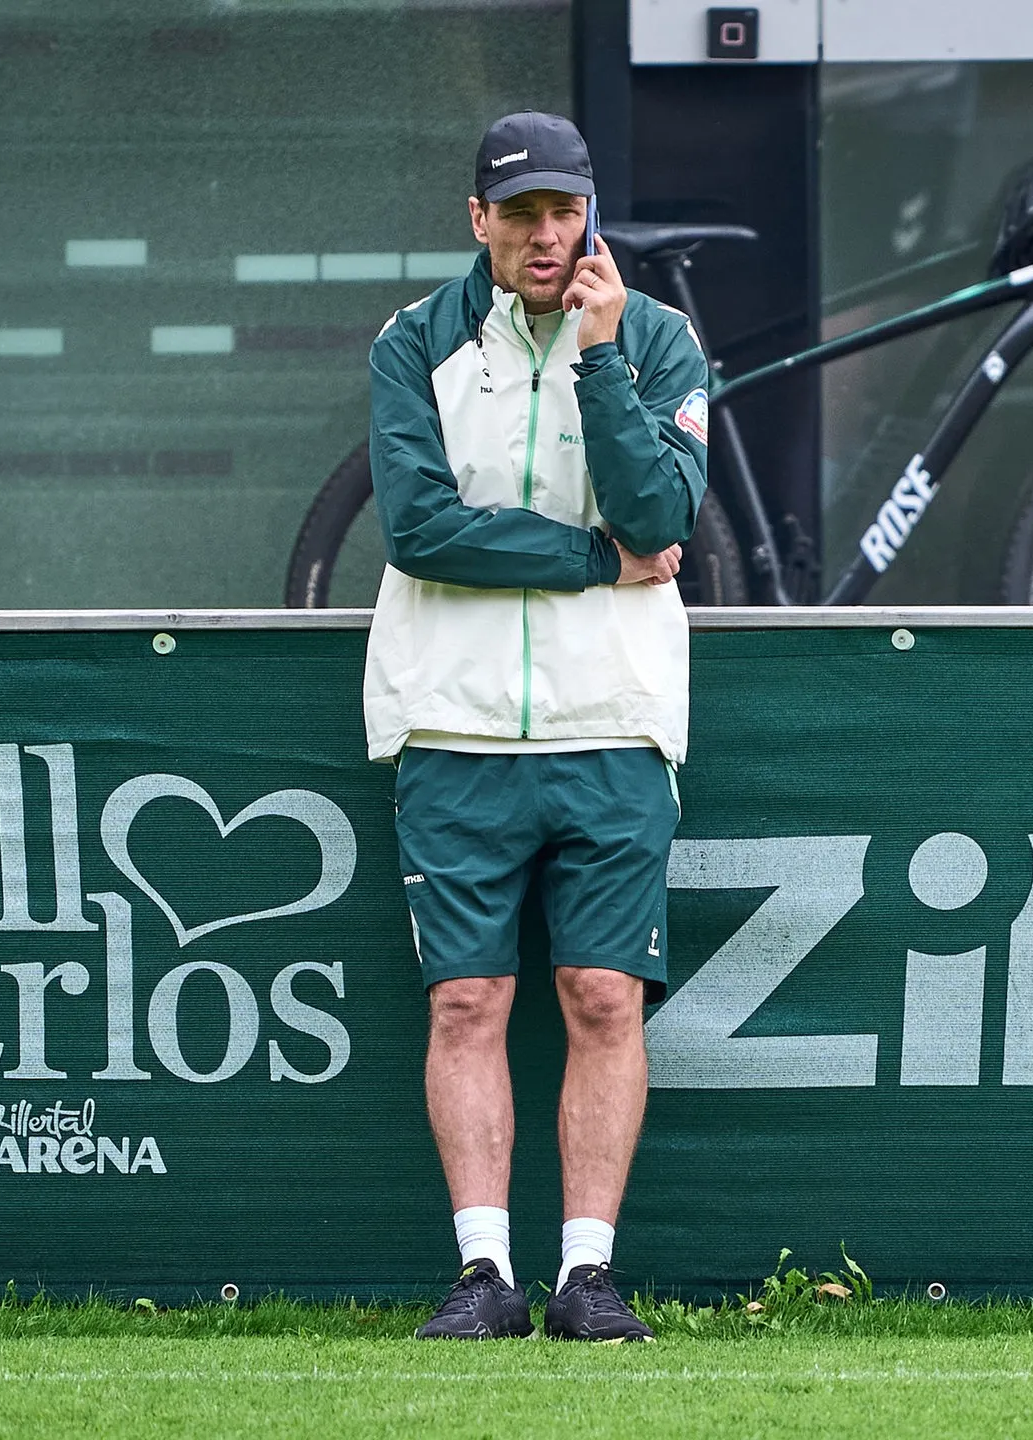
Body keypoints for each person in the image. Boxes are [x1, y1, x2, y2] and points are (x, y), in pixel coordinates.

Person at [363, 111, 709, 1341]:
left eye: (565, 211)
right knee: (466, 1006)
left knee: (604, 996)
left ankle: (586, 1276)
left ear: (590, 212)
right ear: (479, 222)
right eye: (521, 215)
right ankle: (480, 1275)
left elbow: (665, 514)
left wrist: (603, 361)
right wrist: (587, 559)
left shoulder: (658, 339)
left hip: (612, 721)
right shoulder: (415, 343)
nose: (548, 236)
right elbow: (417, 527)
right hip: (451, 725)